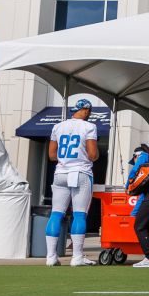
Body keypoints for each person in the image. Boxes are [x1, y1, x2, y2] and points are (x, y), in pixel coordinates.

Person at [46, 99, 100, 266]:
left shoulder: (58, 126)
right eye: (88, 111)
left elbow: (52, 155)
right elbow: (92, 155)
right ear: (85, 110)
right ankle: (77, 256)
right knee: (79, 214)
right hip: (80, 172)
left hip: (61, 172)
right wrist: (95, 154)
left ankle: (51, 256)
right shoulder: (89, 127)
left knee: (56, 213)